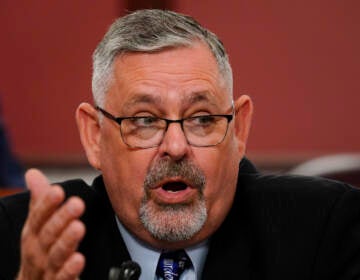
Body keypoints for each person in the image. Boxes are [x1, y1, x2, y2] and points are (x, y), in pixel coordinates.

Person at [1, 9, 360, 280]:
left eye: (202, 119)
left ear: (238, 131)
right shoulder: (16, 243)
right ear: (94, 136)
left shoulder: (326, 230)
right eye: (145, 121)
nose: (176, 146)